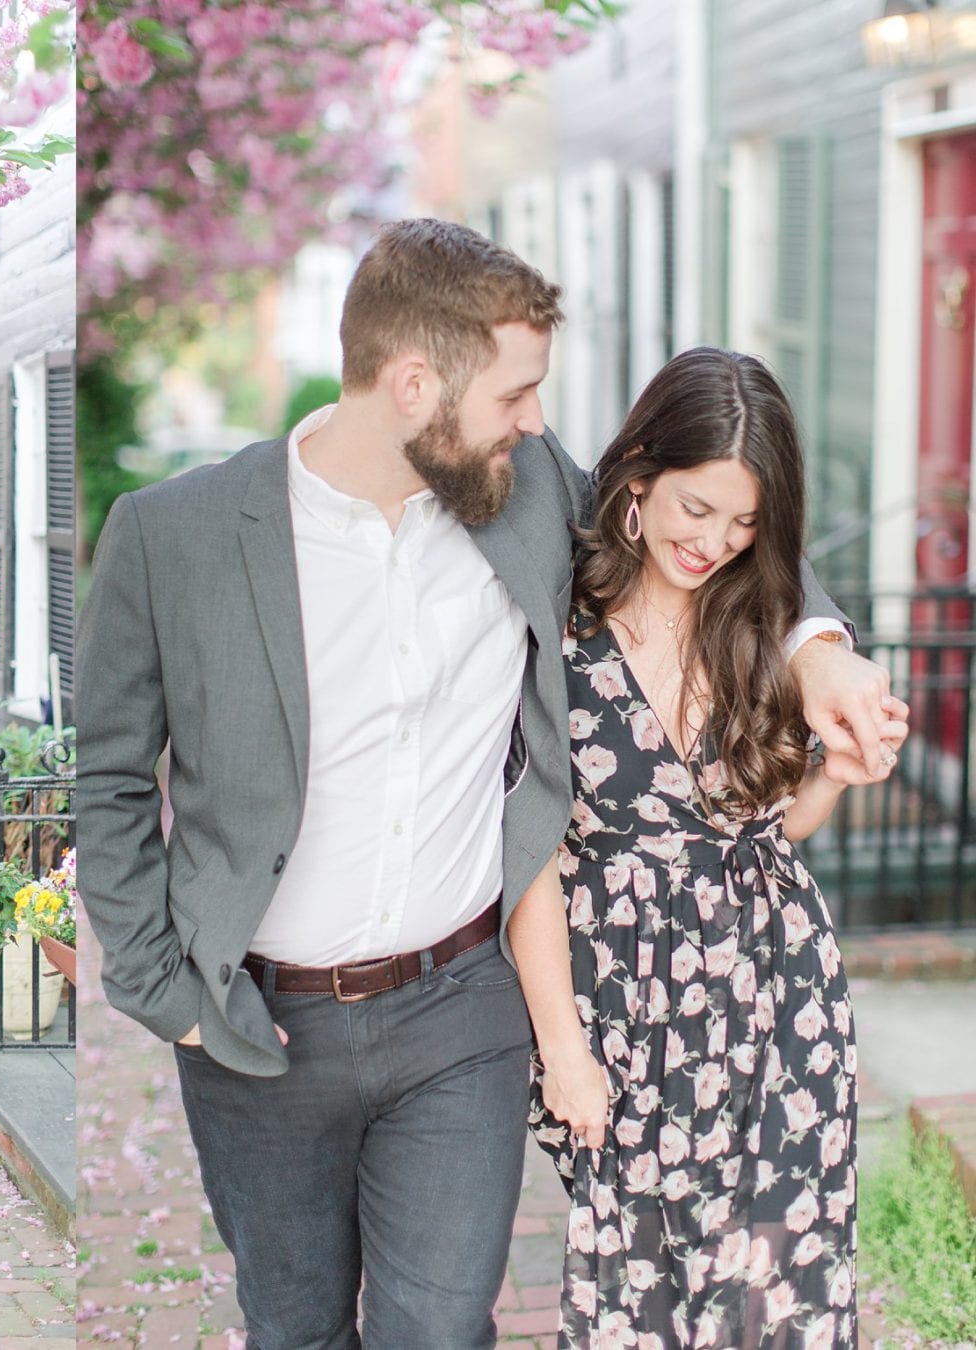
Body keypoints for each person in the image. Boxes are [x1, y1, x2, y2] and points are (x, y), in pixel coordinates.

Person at [73, 219, 900, 1348]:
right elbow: (110, 775)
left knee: (442, 1328)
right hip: (253, 1022)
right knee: (296, 1324)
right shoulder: (175, 535)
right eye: (517, 393)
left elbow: (720, 514)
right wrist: (160, 989)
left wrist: (820, 648)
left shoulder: (523, 495)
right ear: (417, 385)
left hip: (457, 1009)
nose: (540, 421)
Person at [514, 349, 902, 1348]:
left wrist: (834, 777)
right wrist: (562, 1049)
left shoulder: (764, 621)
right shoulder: (555, 630)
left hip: (783, 1001)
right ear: (636, 477)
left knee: (785, 1285)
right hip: (630, 1011)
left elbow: (782, 829)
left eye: (743, 524)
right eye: (696, 510)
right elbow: (529, 864)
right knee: (640, 1289)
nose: (715, 543)